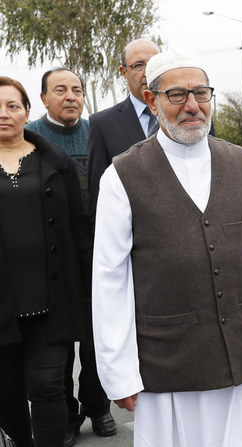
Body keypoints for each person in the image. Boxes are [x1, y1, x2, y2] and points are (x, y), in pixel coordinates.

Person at [91, 49, 242, 447]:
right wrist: (118, 371)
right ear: (151, 101)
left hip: (240, 357)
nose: (192, 106)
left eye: (201, 94)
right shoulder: (121, 175)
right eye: (177, 95)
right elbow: (109, 280)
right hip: (167, 364)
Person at [0, 77, 91, 447]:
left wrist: (88, 290)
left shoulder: (57, 162)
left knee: (49, 386)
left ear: (27, 111)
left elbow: (77, 229)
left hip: (52, 299)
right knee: (7, 394)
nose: (4, 114)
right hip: (3, 304)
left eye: (12, 106)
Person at [25, 67, 114, 447]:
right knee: (57, 340)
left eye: (77, 89)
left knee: (98, 339)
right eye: (60, 90)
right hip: (52, 256)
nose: (71, 96)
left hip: (98, 250)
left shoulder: (98, 132)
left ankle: (99, 406)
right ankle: (65, 412)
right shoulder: (29, 136)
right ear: (44, 98)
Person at [86, 38, 160, 221]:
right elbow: (99, 196)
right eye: (138, 65)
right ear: (124, 72)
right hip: (131, 236)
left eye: (153, 64)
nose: (147, 72)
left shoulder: (189, 117)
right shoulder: (102, 124)